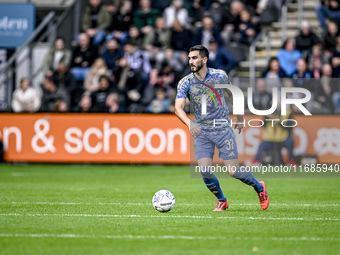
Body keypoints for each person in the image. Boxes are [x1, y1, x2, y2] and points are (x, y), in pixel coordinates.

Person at [174, 45, 269, 211]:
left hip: (222, 129)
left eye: (195, 58)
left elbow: (233, 96)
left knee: (233, 171)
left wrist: (239, 117)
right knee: (204, 170)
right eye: (190, 58)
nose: (191, 61)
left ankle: (259, 188)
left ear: (204, 59)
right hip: (202, 132)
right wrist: (190, 123)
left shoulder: (220, 76)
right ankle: (222, 200)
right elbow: (178, 108)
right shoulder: (185, 82)